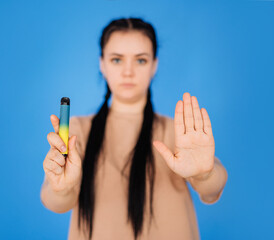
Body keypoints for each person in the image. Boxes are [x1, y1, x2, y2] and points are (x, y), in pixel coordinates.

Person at [40, 17, 228, 240]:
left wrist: (205, 174)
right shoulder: (76, 132)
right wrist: (62, 188)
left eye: (140, 60)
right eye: (117, 60)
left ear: (154, 65)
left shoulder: (178, 132)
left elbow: (211, 191)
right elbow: (55, 202)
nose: (128, 72)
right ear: (102, 64)